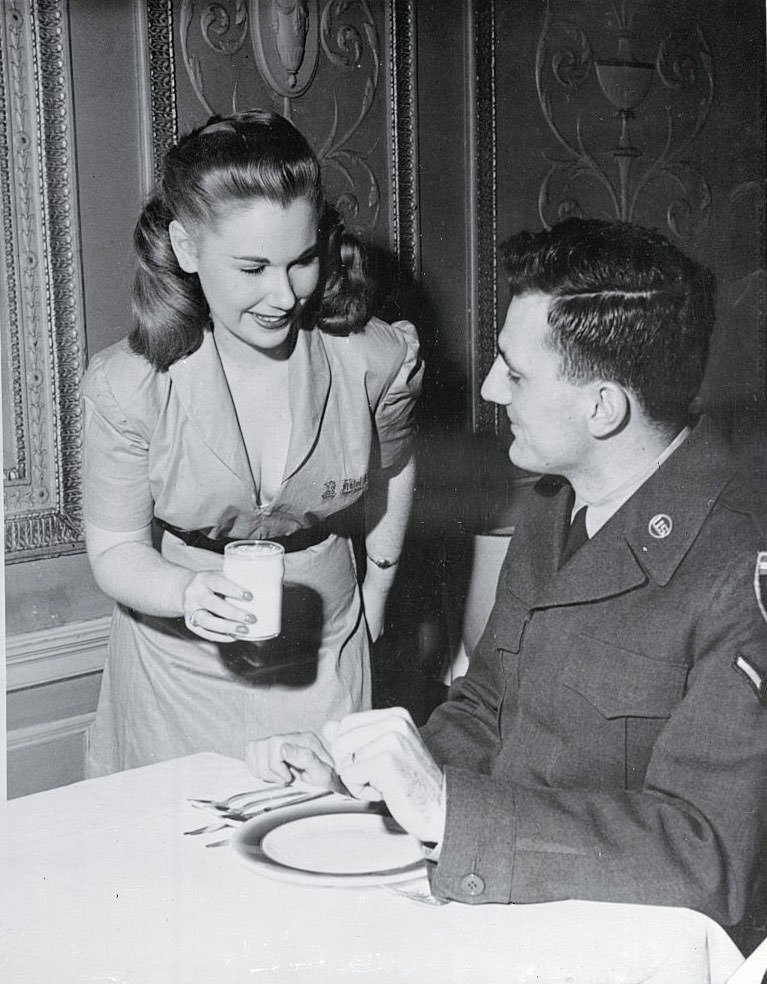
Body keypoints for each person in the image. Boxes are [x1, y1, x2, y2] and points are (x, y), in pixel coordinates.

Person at [248, 218, 767, 934]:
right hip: (513, 904)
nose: (491, 388)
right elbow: (490, 705)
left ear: (602, 407)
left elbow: (706, 859)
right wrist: (364, 775)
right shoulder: (555, 502)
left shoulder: (737, 569)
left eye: (515, 373)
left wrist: (449, 810)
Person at [82, 110, 423, 776]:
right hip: (175, 665)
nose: (283, 294)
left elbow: (395, 469)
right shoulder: (128, 385)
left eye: (300, 261)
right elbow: (117, 548)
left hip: (325, 647)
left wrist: (376, 597)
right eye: (252, 267)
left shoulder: (374, 357)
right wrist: (185, 593)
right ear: (186, 249)